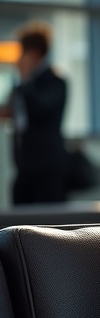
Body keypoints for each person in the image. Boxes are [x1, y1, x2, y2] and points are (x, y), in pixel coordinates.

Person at [0, 21, 68, 204]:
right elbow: (9, 111)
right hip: (24, 167)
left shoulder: (55, 82)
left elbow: (42, 107)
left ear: (34, 53)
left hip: (47, 169)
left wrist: (26, 79)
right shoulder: (21, 85)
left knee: (48, 224)